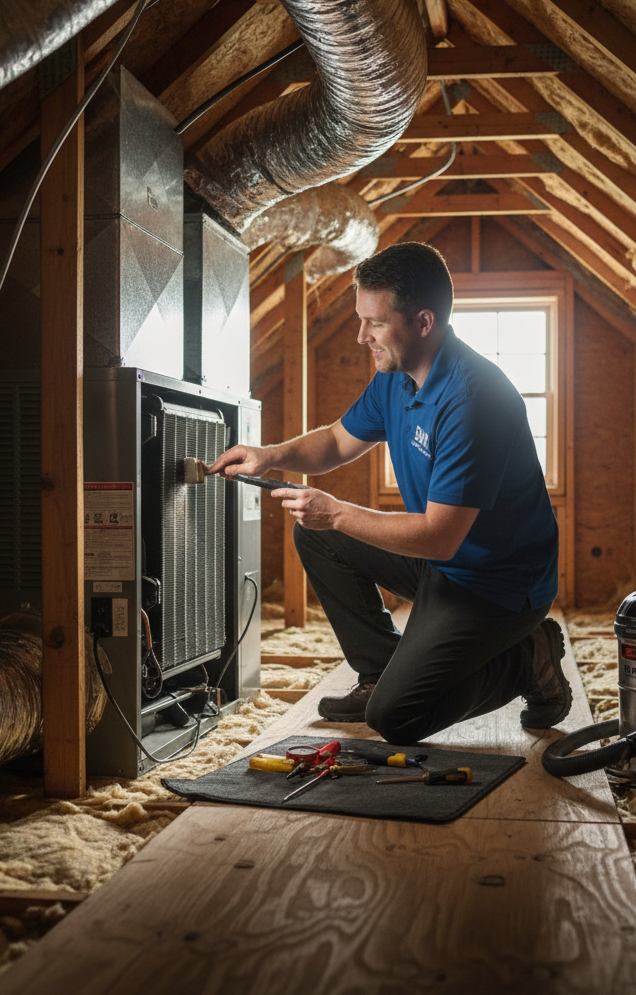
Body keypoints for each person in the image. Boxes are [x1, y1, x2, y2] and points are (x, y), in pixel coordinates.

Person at [208, 242, 570, 745]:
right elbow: (336, 440)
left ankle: (528, 659)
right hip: (442, 561)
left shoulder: (474, 399)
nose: (362, 336)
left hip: (497, 583)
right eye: (361, 320)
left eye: (375, 323)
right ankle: (379, 671)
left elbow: (440, 537)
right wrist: (269, 455)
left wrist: (335, 513)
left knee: (397, 718)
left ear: (424, 322)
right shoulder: (396, 378)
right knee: (317, 538)